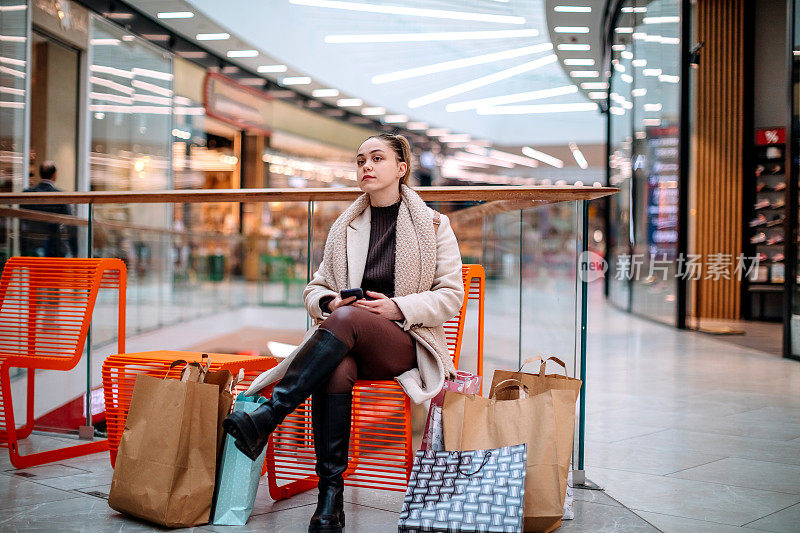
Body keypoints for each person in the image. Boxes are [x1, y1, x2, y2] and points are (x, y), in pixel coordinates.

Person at [223, 133, 464, 533]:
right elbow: (314, 288)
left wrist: (397, 307)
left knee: (348, 321)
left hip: (405, 342)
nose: (366, 166)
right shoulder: (346, 226)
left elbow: (451, 297)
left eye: (377, 158)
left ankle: (270, 414)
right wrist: (328, 303)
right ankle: (329, 501)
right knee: (336, 365)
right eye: (359, 161)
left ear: (401, 169)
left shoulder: (435, 225)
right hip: (348, 341)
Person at [21, 161, 77, 257]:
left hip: (31, 245)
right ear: (54, 175)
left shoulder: (27, 194)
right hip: (53, 246)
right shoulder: (60, 195)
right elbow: (70, 224)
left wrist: (22, 247)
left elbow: (23, 222)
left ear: (40, 174)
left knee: (35, 271)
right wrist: (74, 250)